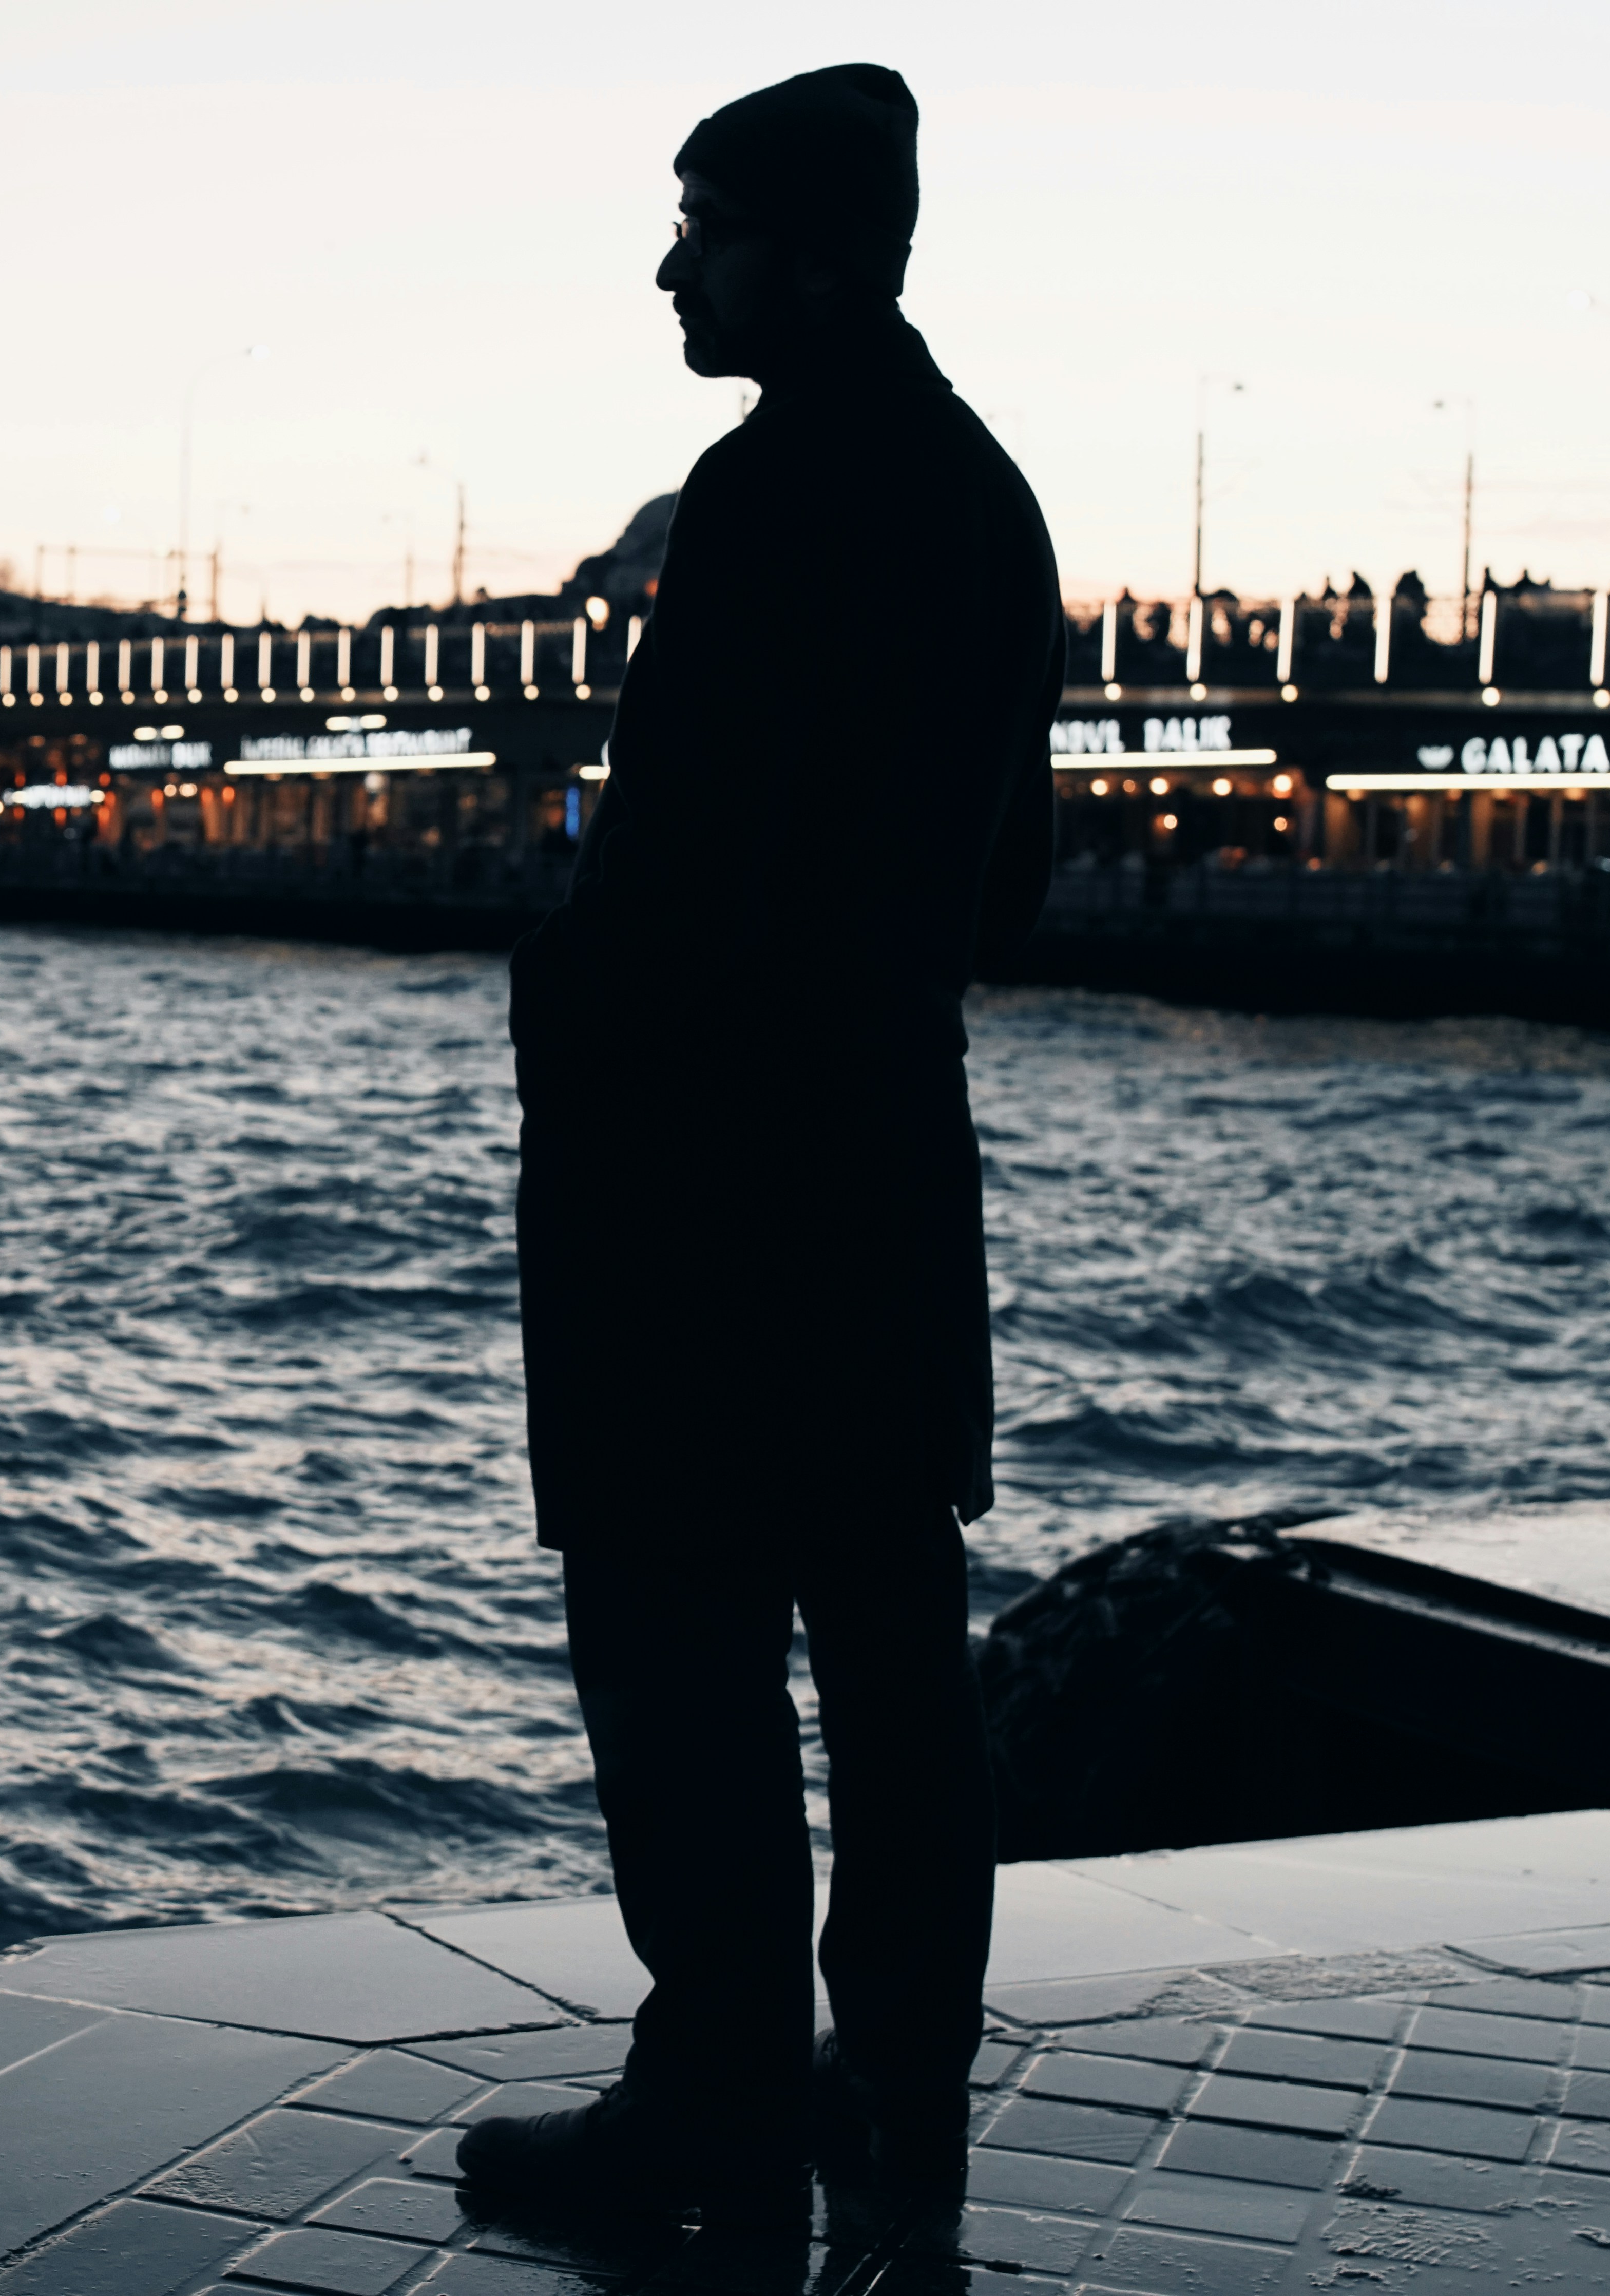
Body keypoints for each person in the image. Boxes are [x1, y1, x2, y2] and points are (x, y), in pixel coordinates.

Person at [456, 62, 1062, 2223]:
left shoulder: (763, 496)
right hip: (884, 1159)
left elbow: (679, 867)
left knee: (676, 1618)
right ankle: (892, 2063)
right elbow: (1014, 875)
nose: (665, 263)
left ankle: (709, 2078)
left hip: (699, 1178)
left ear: (803, 250)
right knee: (889, 1629)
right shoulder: (988, 502)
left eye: (699, 225)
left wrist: (562, 998)